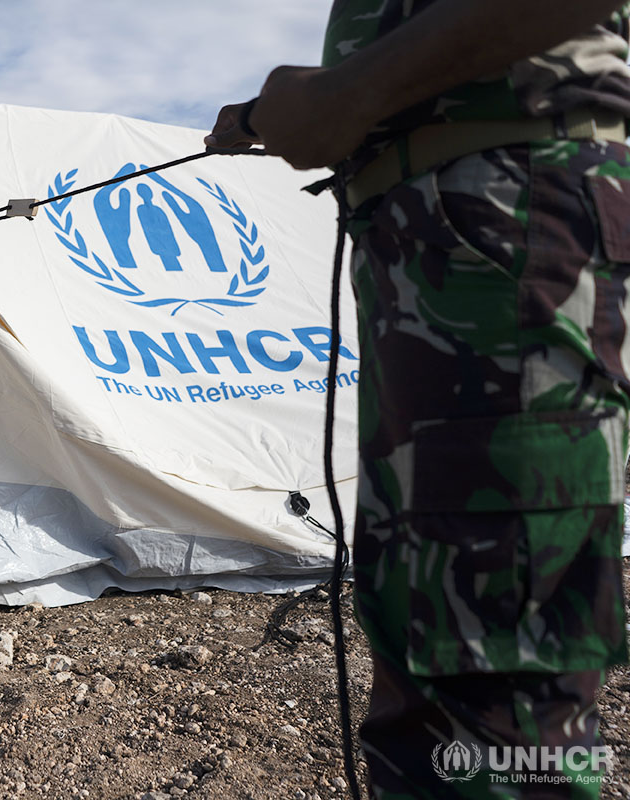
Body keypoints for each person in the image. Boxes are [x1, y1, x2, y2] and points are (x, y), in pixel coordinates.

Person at [207, 2, 630, 796]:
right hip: (436, 235)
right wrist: (292, 112)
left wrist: (350, 92)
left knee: (495, 677)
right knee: (426, 635)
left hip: (502, 221)